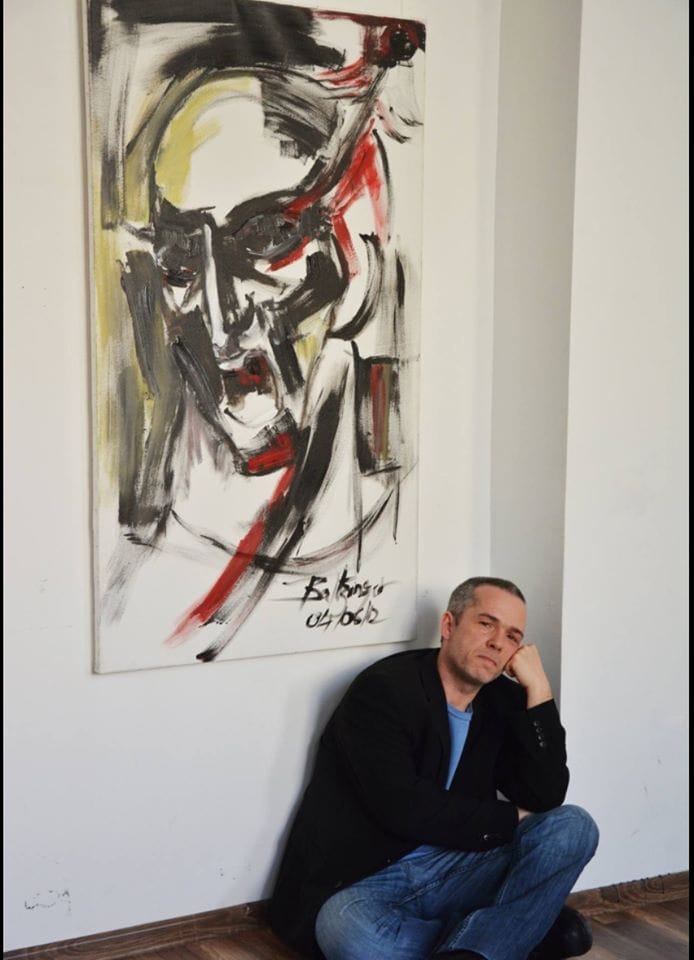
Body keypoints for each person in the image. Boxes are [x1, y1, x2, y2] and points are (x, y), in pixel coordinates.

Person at [88, 3, 426, 668]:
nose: (221, 321)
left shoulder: (376, 507)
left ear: (355, 247)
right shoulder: (145, 542)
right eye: (183, 256)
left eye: (268, 237)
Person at [268, 576, 599, 960]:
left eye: (512, 636)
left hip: (458, 867)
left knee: (575, 826)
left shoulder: (502, 700)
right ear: (448, 625)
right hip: (370, 880)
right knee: (350, 935)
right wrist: (512, 818)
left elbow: (545, 795)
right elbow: (405, 808)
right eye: (486, 623)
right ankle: (507, 936)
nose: (497, 642)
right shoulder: (384, 690)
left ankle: (488, 943)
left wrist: (539, 692)